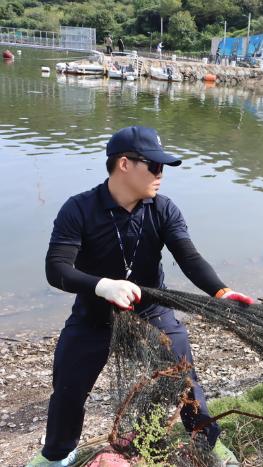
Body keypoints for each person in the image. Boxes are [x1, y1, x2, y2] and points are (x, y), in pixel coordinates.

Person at [27, 126, 250, 467]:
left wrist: (221, 291)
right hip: (94, 315)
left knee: (186, 380)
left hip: (151, 311)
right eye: (154, 166)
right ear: (124, 164)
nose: (161, 175)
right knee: (68, 390)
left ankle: (208, 443)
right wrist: (103, 286)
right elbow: (56, 269)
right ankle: (56, 455)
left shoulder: (163, 209)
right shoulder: (79, 209)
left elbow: (189, 258)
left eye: (163, 168)